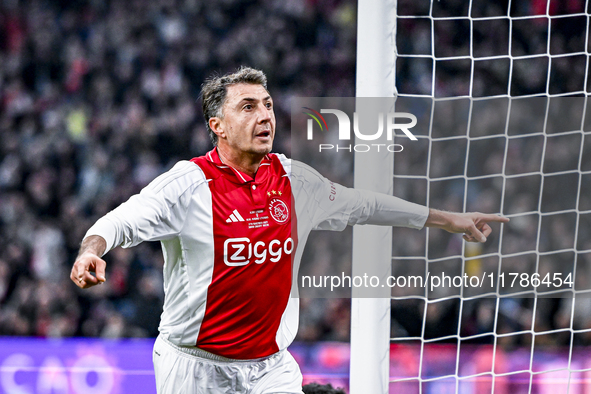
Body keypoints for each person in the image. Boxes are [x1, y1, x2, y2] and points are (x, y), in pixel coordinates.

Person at [70, 66, 509, 394]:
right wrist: (93, 249)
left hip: (270, 367)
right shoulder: (188, 185)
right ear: (216, 126)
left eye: (268, 106)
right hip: (194, 367)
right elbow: (121, 220)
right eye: (248, 107)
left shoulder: (296, 181)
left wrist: (449, 219)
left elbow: (366, 204)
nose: (264, 116)